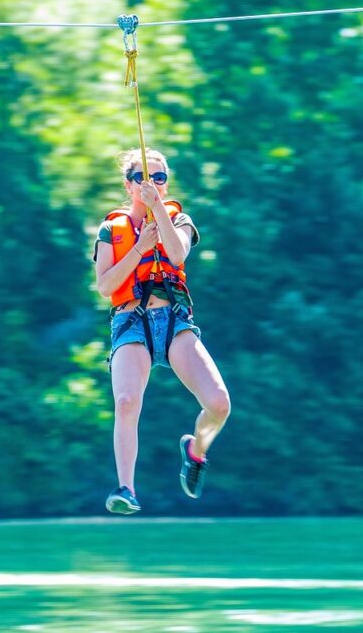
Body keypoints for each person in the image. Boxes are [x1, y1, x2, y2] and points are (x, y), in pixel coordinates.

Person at [93, 148, 231, 514]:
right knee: (126, 402)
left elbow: (176, 254)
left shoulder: (179, 219)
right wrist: (139, 247)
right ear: (128, 184)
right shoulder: (112, 230)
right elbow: (106, 285)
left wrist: (159, 215)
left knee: (219, 405)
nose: (150, 184)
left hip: (172, 320)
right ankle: (126, 488)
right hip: (131, 319)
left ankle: (195, 451)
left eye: (158, 178)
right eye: (142, 178)